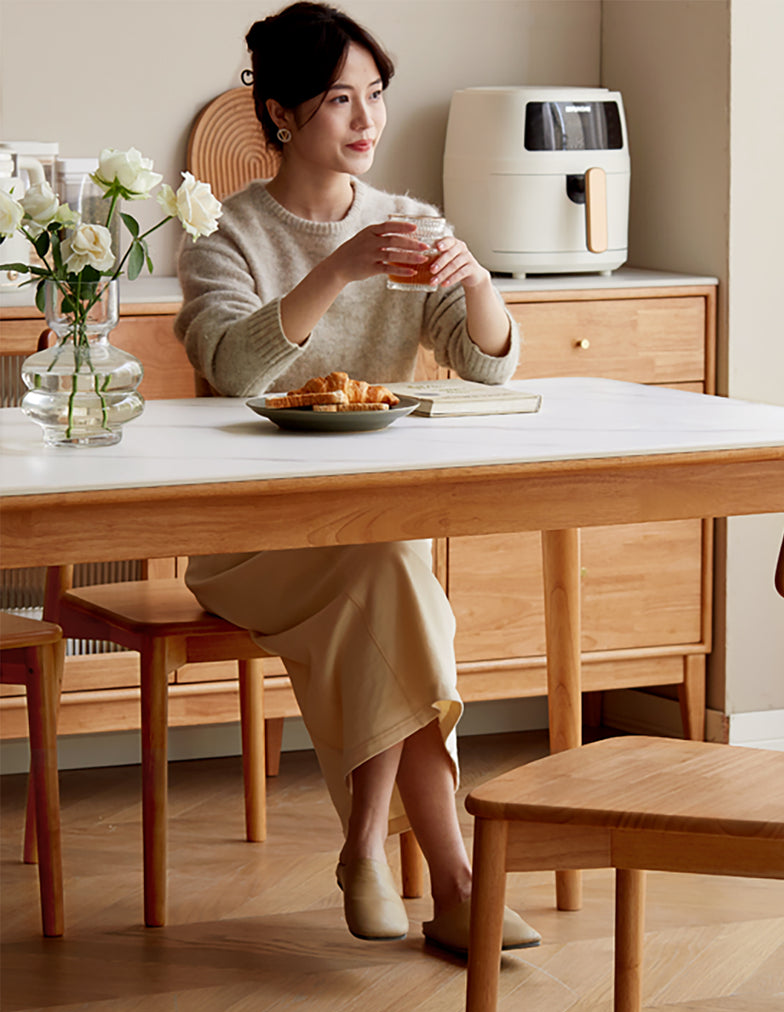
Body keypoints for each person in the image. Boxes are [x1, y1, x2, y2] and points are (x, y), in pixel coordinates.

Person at [174, 0, 539, 956]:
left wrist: (477, 280)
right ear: (284, 115)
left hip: (375, 523)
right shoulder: (226, 236)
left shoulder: (409, 223)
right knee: (400, 586)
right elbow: (233, 367)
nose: (367, 119)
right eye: (340, 98)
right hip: (250, 540)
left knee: (384, 571)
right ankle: (442, 876)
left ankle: (381, 856)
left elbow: (486, 361)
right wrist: (336, 270)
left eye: (374, 94)